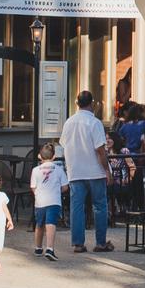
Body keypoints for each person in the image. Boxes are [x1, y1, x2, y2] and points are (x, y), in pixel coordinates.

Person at [61, 90, 113, 253]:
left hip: (75, 171)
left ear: (77, 103)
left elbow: (64, 144)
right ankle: (100, 242)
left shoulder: (69, 123)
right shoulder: (95, 123)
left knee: (77, 207)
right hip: (95, 171)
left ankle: (78, 243)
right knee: (100, 206)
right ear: (92, 103)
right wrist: (107, 170)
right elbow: (100, 150)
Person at [27, 140, 65, 260]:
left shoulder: (35, 170)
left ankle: (38, 247)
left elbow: (33, 186)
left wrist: (37, 194)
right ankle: (50, 248)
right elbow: (65, 186)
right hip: (54, 201)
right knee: (51, 224)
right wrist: (58, 190)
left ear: (39, 156)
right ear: (54, 156)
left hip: (40, 202)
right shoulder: (58, 169)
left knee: (39, 225)